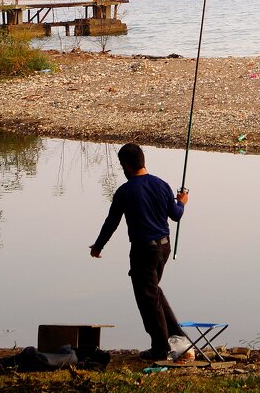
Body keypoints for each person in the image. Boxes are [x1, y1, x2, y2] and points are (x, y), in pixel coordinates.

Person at [89, 143, 189, 361]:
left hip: (143, 250)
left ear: (125, 165)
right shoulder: (162, 184)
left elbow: (111, 223)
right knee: (154, 293)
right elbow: (176, 215)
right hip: (164, 247)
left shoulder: (125, 191)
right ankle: (179, 340)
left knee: (148, 300)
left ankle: (161, 349)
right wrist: (181, 202)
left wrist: (98, 246)